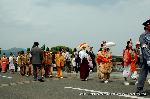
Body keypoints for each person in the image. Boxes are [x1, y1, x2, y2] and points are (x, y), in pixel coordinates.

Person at [136, 19, 150, 95]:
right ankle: (139, 89)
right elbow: (144, 48)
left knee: (143, 73)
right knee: (143, 73)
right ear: (147, 26)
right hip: (146, 58)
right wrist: (148, 59)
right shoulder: (143, 35)